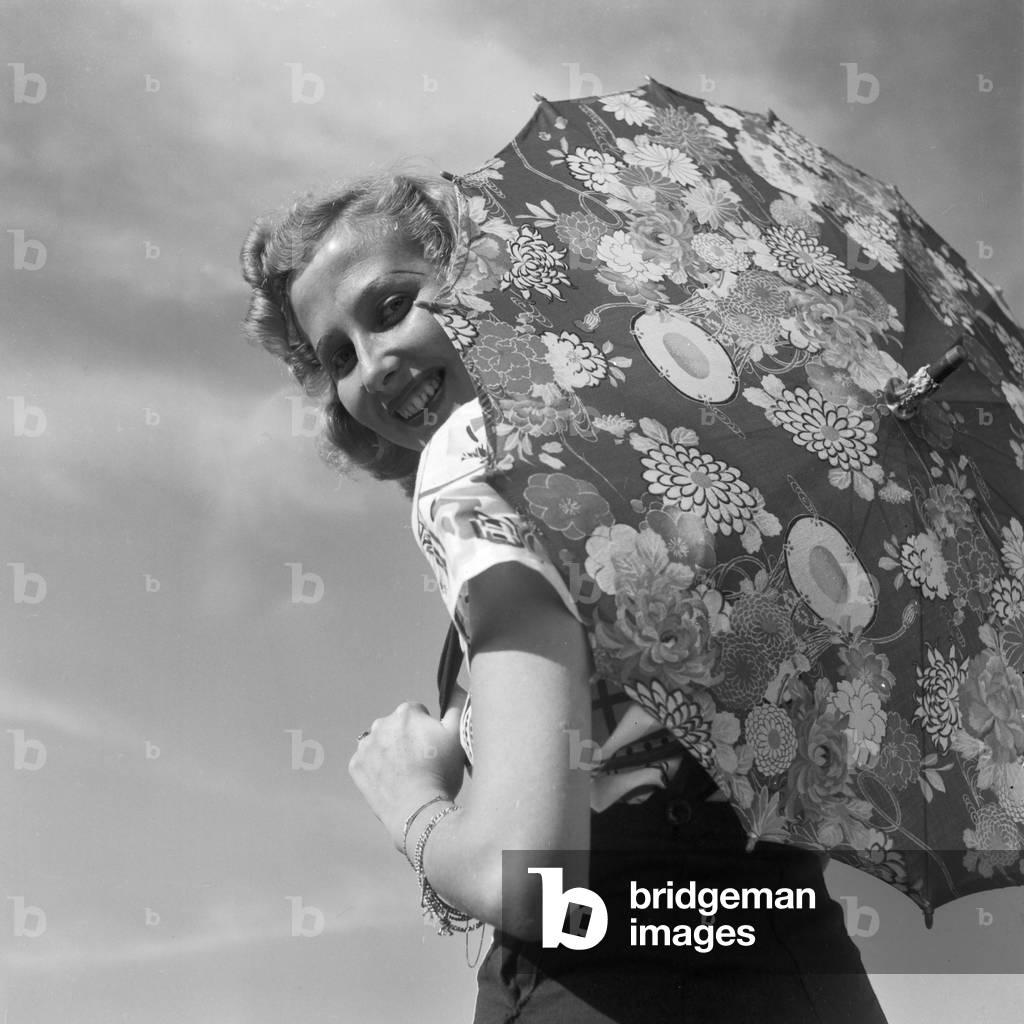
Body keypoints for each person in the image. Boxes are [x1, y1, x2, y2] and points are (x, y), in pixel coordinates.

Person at [239, 171, 890, 1023]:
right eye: (337, 357)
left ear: (480, 277)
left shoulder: (470, 462)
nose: (373, 365)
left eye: (392, 305)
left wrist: (412, 798)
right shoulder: (722, 484)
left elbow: (534, 879)